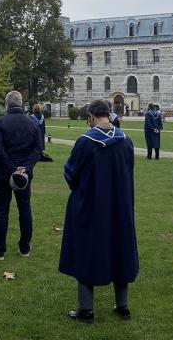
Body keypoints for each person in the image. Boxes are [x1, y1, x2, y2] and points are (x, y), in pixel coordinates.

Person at [60, 100, 139, 324]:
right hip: (120, 206)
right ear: (109, 114)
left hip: (91, 205)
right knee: (119, 247)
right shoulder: (126, 141)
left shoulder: (86, 142)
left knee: (87, 250)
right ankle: (122, 305)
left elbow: (71, 173)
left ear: (91, 116)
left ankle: (86, 310)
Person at [0, 91, 43, 259]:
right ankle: (25, 248)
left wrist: (14, 168)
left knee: (2, 211)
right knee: (24, 208)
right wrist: (23, 168)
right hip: (22, 173)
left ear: (7, 104)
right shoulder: (32, 124)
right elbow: (38, 149)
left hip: (4, 172)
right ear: (21, 103)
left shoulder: (1, 123)